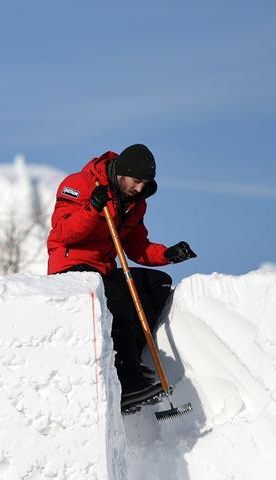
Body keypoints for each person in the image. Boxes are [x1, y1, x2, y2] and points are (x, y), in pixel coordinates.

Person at [46, 143, 196, 406]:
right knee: (117, 301)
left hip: (103, 271)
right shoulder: (79, 184)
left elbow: (137, 246)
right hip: (71, 267)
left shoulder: (134, 203)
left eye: (145, 183)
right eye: (136, 181)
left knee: (156, 284)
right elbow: (63, 232)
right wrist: (92, 208)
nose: (139, 188)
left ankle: (129, 362)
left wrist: (167, 254)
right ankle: (128, 382)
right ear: (122, 173)